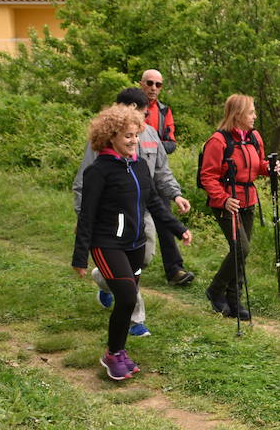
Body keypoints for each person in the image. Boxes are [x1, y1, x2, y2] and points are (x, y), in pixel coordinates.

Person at [71, 103, 192, 380]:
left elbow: (153, 203)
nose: (133, 141)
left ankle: (119, 350)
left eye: (136, 135)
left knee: (126, 299)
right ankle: (112, 354)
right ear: (111, 136)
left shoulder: (138, 166)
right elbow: (86, 216)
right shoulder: (98, 171)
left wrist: (178, 228)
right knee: (126, 297)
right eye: (127, 135)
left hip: (135, 244)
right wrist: (80, 256)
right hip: (107, 243)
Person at [199, 94, 278, 320]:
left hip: (248, 201)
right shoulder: (218, 141)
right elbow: (207, 176)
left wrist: (269, 168)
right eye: (251, 112)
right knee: (241, 248)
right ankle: (215, 290)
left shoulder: (253, 137)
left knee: (240, 253)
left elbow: (257, 166)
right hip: (226, 203)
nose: (255, 116)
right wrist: (223, 198)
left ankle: (234, 300)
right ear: (238, 115)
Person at [140, 69, 176, 154]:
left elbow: (171, 144)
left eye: (158, 85)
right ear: (141, 84)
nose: (153, 88)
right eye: (150, 83)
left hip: (156, 162)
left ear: (161, 88)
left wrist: (146, 146)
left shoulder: (164, 111)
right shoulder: (129, 108)